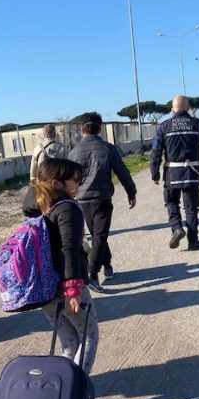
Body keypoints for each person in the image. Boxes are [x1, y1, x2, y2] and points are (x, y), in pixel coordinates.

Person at [27, 158, 99, 375]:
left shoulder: (38, 208)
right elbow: (69, 248)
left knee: (69, 344)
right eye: (74, 180)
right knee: (89, 337)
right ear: (57, 183)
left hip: (45, 289)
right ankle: (75, 392)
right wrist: (73, 289)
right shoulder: (66, 208)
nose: (78, 184)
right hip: (67, 286)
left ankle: (59, 391)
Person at [68, 112, 137, 292]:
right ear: (100, 129)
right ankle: (92, 274)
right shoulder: (108, 148)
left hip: (81, 201)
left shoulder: (73, 152)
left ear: (82, 130)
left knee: (98, 235)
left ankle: (107, 265)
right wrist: (131, 192)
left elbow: (67, 179)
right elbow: (122, 172)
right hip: (101, 199)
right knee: (99, 236)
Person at [150, 95, 199, 251]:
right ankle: (193, 240)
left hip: (172, 174)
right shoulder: (198, 124)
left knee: (171, 202)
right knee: (191, 208)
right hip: (192, 173)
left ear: (172, 109)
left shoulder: (164, 127)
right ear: (188, 108)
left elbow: (155, 152)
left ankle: (176, 228)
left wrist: (155, 173)